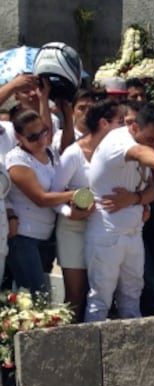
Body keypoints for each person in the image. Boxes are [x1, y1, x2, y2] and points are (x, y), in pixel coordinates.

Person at [84, 102, 154, 322]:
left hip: (133, 231)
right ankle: (95, 352)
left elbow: (152, 191)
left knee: (132, 295)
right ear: (134, 127)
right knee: (100, 299)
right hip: (107, 233)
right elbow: (140, 152)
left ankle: (130, 352)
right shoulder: (119, 141)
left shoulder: (146, 146)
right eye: (151, 139)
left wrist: (135, 199)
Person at [52, 99, 125, 322]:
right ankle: (69, 348)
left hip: (104, 229)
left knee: (100, 291)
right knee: (76, 294)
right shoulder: (73, 153)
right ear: (104, 123)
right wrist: (70, 213)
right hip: (73, 229)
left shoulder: (118, 152)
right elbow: (53, 196)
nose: (125, 127)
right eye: (120, 121)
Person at [5, 109, 74, 293]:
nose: (41, 140)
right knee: (35, 296)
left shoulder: (50, 152)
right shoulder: (16, 160)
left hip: (47, 235)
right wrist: (74, 194)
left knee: (36, 296)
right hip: (23, 236)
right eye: (33, 137)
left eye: (44, 132)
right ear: (19, 137)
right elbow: (41, 199)